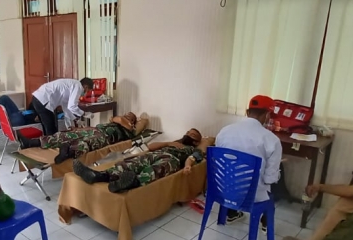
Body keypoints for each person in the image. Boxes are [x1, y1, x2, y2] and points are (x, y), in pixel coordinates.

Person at [215, 95, 282, 225]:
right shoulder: (272, 140)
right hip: (252, 196)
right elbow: (270, 179)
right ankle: (265, 222)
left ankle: (230, 213)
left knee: (234, 172)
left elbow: (219, 163)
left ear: (247, 112)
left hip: (223, 189)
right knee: (275, 176)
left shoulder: (224, 131)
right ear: (267, 115)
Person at [73, 129, 205, 193]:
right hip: (155, 154)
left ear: (196, 142)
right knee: (131, 162)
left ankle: (132, 182)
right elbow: (150, 147)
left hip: (172, 160)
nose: (188, 134)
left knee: (155, 169)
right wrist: (168, 143)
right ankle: (98, 175)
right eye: (188, 132)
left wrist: (187, 166)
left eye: (192, 135)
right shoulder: (172, 143)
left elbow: (191, 158)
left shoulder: (194, 149)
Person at [17, 112, 139, 164]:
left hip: (105, 137)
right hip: (95, 130)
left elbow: (121, 119)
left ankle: (69, 151)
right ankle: (32, 143)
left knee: (87, 143)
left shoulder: (129, 129)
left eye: (129, 116)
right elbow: (112, 120)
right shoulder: (117, 122)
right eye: (126, 114)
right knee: (64, 135)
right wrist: (80, 129)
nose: (126, 115)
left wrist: (117, 119)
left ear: (133, 121)